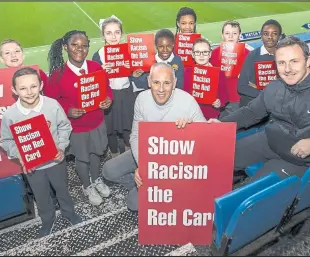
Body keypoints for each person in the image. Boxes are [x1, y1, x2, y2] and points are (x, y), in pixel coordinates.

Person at [208, 36, 310, 182]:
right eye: (281, 63)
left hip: (299, 159)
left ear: (307, 61)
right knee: (219, 159)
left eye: (294, 61)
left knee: (248, 193)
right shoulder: (275, 86)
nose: (287, 69)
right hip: (270, 140)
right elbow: (250, 112)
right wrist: (222, 124)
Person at [102, 62, 207, 211]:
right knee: (108, 170)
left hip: (175, 162)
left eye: (167, 83)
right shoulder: (141, 99)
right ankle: (144, 183)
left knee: (133, 204)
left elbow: (206, 138)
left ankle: (163, 189)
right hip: (148, 152)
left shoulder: (188, 101)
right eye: (156, 82)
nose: (162, 89)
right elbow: (136, 135)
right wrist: (144, 167)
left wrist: (191, 128)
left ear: (175, 83)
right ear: (149, 82)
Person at [0, 67, 81, 238]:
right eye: (23, 88)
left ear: (41, 85)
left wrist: (61, 146)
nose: (29, 92)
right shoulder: (10, 114)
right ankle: (47, 220)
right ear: (14, 90)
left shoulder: (52, 104)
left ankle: (69, 213)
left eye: (33, 86)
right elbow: (5, 141)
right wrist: (20, 155)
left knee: (62, 190)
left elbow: (65, 126)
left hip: (55, 161)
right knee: (41, 195)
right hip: (33, 166)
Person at [46, 30, 113, 206]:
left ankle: (96, 179)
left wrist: (108, 99)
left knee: (96, 153)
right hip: (77, 128)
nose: (79, 49)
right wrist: (67, 110)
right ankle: (87, 185)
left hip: (97, 122)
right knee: (82, 158)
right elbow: (52, 103)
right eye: (74, 45)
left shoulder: (95, 67)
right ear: (65, 47)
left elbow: (107, 89)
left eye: (84, 46)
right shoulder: (57, 74)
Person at [92, 16, 135, 158]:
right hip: (108, 96)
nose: (113, 36)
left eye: (117, 32)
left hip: (126, 93)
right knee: (110, 129)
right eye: (108, 33)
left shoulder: (129, 51)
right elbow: (94, 83)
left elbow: (139, 74)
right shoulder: (98, 55)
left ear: (121, 33)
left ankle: (130, 157)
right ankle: (115, 156)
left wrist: (133, 69)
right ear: (103, 35)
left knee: (128, 127)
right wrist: (101, 71)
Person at [210, 21, 253, 113]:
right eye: (227, 33)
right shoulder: (213, 54)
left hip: (237, 99)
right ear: (222, 35)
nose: (230, 36)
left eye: (234, 33)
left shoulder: (248, 54)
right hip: (218, 100)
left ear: (239, 35)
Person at [237, 19, 282, 107]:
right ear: (261, 36)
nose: (270, 37)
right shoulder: (253, 56)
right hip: (253, 105)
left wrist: (259, 88)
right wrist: (265, 94)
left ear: (280, 37)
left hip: (277, 105)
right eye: (266, 33)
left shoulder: (284, 56)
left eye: (274, 34)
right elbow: (241, 87)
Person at [183, 38, 227, 119]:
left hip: (212, 116)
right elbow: (185, 95)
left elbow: (224, 95)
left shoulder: (219, 73)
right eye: (198, 52)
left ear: (210, 54)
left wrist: (219, 102)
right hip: (192, 115)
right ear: (192, 54)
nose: (201, 55)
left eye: (205, 52)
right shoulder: (187, 72)